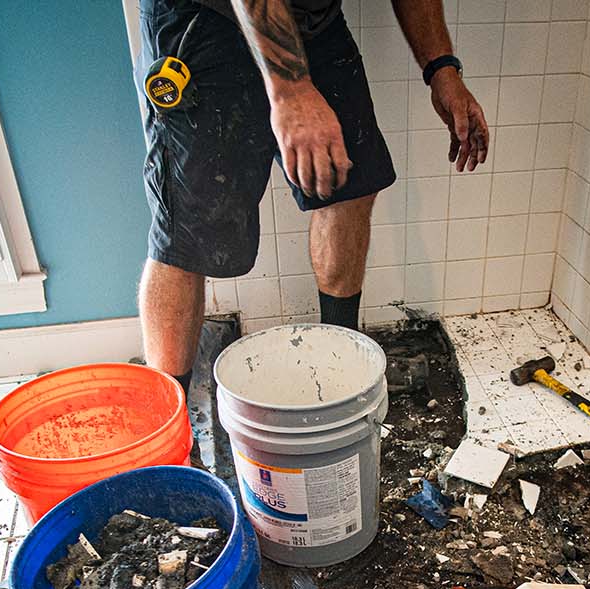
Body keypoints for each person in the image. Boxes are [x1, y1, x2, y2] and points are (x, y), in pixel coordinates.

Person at [135, 0, 488, 388]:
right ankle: (172, 426)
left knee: (349, 184)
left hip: (313, 23)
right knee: (188, 231)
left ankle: (338, 365)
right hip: (203, 21)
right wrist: (291, 91)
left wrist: (441, 69)